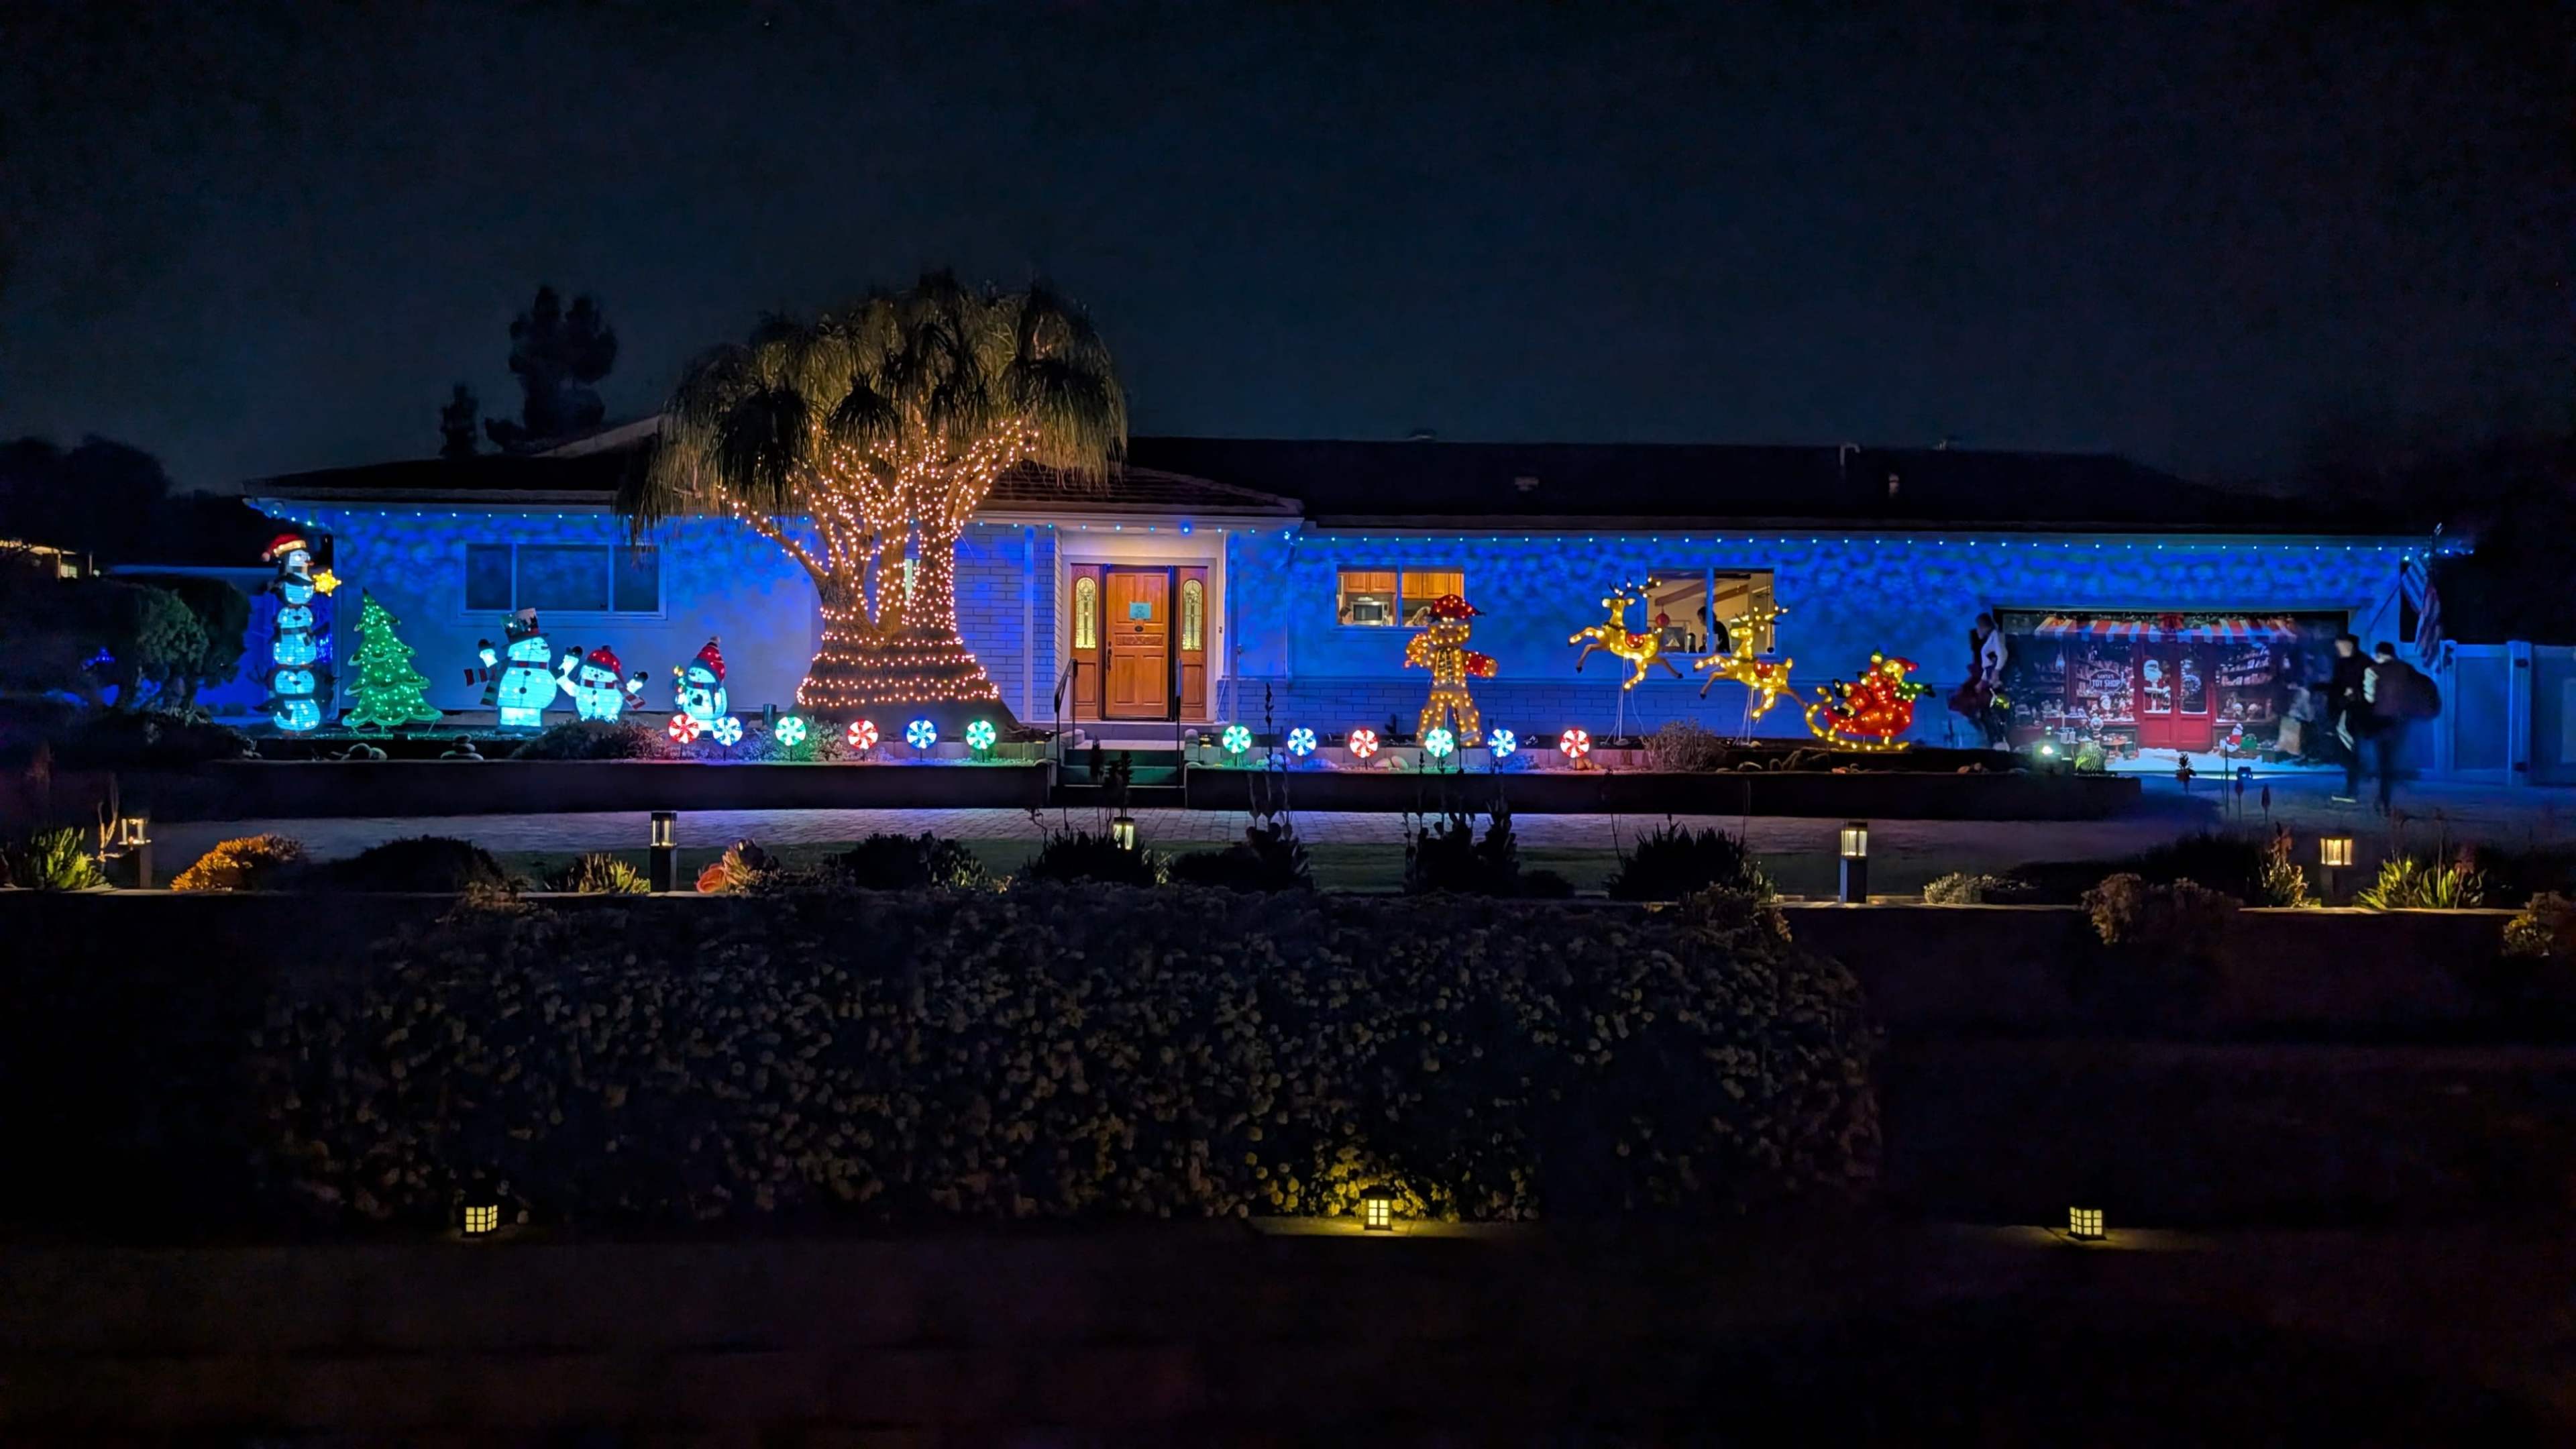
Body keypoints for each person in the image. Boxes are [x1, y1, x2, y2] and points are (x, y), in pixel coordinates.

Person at [2361, 640, 2438, 813]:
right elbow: (2422, 685)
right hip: (2401, 720)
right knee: (2391, 759)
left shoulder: (2373, 671)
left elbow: (2370, 698)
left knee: (2384, 760)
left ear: (2379, 655)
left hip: (2381, 720)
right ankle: (2385, 796)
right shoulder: (2406, 669)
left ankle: (2384, 799)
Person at [2322, 634, 2371, 802]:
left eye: (2340, 646)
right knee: (2350, 750)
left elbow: (2370, 689)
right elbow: (2337, 687)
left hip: (2357, 714)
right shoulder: (2343, 664)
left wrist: (2353, 694)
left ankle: (2352, 790)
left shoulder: (2364, 663)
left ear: (2349, 645)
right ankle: (2353, 785)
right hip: (2347, 713)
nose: (2338, 650)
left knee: (2353, 750)